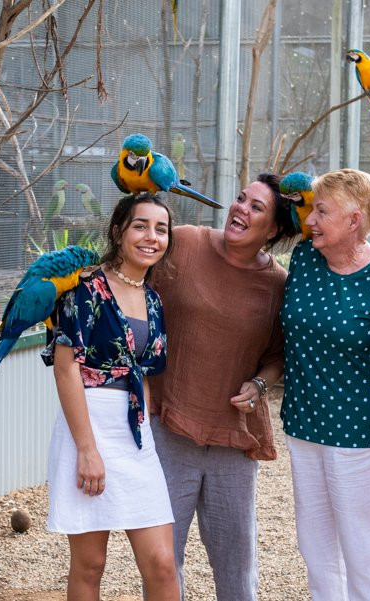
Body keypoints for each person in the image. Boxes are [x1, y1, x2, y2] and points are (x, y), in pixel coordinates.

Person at [145, 173, 299, 601]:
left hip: (234, 436)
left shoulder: (278, 285)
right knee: (160, 561)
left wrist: (258, 384)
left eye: (256, 207)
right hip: (168, 425)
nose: (240, 209)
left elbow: (277, 356)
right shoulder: (186, 242)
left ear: (273, 230)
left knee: (236, 565)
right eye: (239, 198)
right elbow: (135, 290)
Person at [279, 168, 370, 601]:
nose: (310, 220)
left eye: (322, 212)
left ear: (354, 220)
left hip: (363, 435)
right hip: (304, 429)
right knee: (317, 552)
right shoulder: (306, 257)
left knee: (367, 557)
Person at [42, 194, 179, 601]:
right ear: (118, 231)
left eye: (161, 228)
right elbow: (66, 368)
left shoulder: (154, 300)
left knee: (162, 563)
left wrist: (146, 430)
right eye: (141, 226)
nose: (151, 237)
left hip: (134, 434)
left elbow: (147, 372)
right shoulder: (84, 289)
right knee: (90, 564)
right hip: (89, 423)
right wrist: (87, 449)